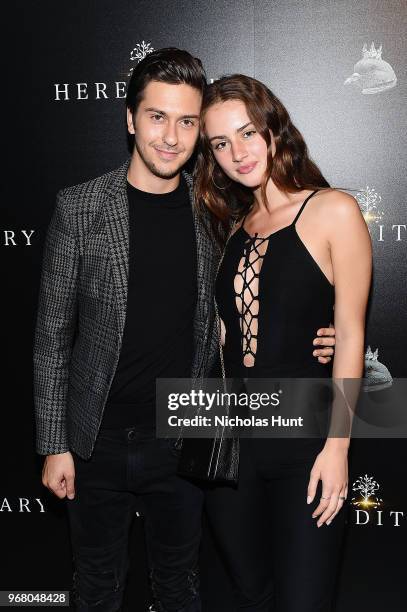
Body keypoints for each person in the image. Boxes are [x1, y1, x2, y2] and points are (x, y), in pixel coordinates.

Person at [33, 49, 336, 612]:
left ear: (200, 131)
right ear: (130, 118)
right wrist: (55, 444)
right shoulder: (79, 208)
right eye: (157, 117)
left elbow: (285, 274)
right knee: (96, 587)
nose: (171, 137)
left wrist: (332, 332)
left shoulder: (217, 206)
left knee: (179, 587)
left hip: (185, 434)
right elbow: (52, 337)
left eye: (188, 122)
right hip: (93, 440)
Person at [193, 74, 372, 611]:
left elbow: (352, 335)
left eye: (247, 133)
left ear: (273, 130)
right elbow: (222, 335)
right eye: (220, 143)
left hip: (306, 443)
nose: (237, 153)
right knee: (251, 595)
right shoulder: (231, 226)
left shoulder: (333, 210)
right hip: (230, 447)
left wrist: (337, 448)